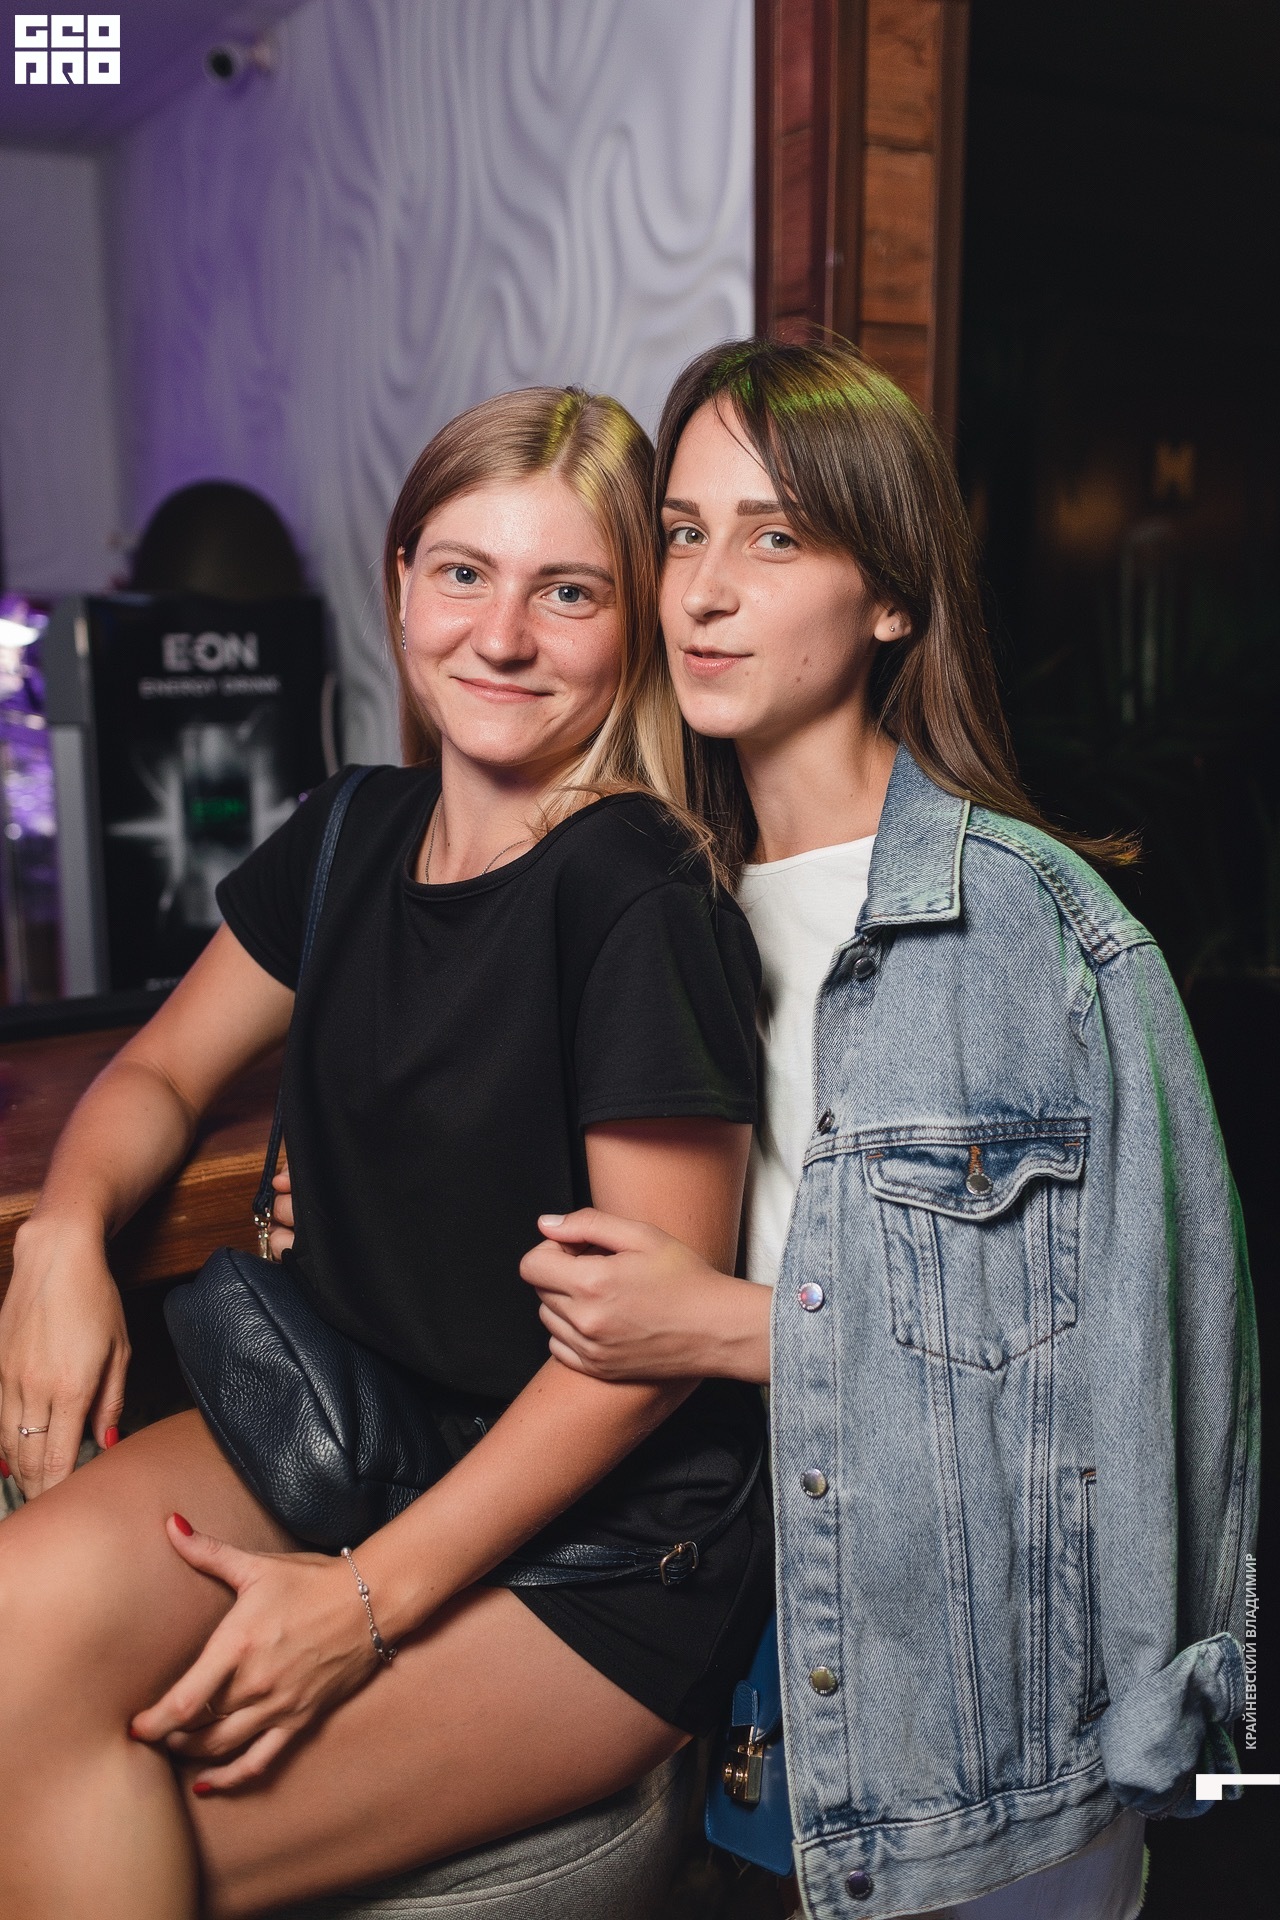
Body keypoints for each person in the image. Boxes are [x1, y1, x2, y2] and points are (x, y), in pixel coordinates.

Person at [0, 386, 774, 1919]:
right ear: (400, 582)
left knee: (93, 1820)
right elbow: (160, 1069)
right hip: (345, 1424)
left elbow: (641, 1361)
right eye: (464, 573)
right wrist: (64, 1238)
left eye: (569, 592)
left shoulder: (639, 892)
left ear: (634, 623)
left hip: (601, 1553)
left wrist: (360, 1605)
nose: (503, 636)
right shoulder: (353, 828)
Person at [517, 340, 1260, 1919]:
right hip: (715, 1686)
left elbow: (1152, 1367)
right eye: (683, 532)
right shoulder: (643, 907)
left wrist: (1186, 1748)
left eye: (776, 537)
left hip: (987, 1742)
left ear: (893, 600)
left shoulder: (1044, 935)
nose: (705, 589)